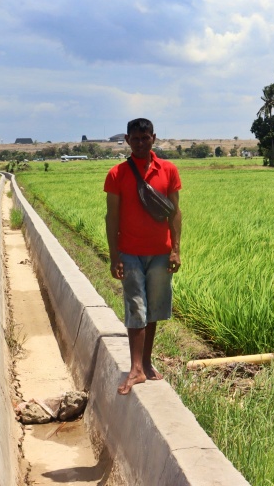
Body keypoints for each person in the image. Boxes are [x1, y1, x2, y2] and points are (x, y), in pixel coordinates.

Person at [104, 118, 182, 395]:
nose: (140, 142)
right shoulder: (117, 174)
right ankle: (135, 368)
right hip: (131, 252)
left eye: (145, 137)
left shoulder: (168, 170)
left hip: (161, 252)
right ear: (127, 139)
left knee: (154, 310)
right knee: (136, 306)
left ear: (153, 138)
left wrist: (175, 249)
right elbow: (111, 217)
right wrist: (115, 256)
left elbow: (175, 212)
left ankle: (146, 363)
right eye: (135, 138)